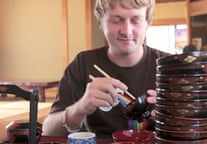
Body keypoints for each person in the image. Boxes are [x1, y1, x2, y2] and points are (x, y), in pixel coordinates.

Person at [42, 0, 168, 139]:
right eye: (116, 20)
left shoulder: (169, 66)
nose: (126, 31)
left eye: (135, 20)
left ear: (147, 22)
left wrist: (174, 116)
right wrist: (80, 108)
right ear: (102, 21)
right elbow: (48, 131)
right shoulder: (83, 63)